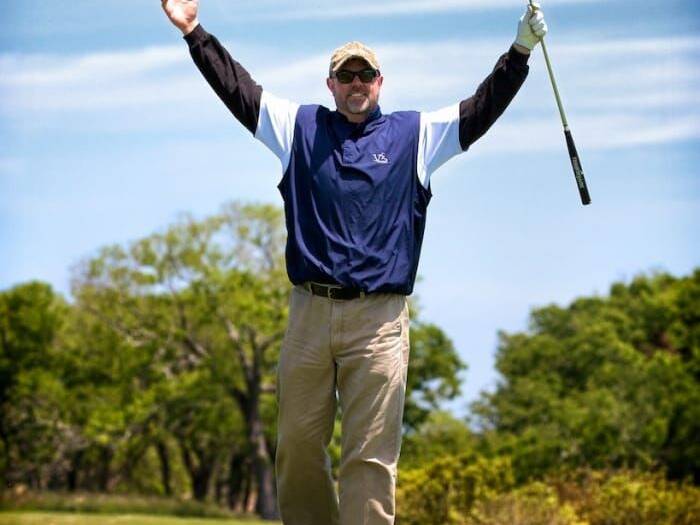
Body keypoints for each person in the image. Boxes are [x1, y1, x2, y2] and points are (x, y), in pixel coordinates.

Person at [160, 1, 547, 523]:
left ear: (380, 82)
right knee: (297, 447)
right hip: (309, 315)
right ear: (331, 85)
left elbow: (481, 108)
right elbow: (237, 87)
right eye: (346, 75)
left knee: (368, 457)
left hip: (379, 321)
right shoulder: (298, 127)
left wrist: (520, 52)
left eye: (365, 74)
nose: (356, 82)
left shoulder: (416, 134)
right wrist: (194, 32)